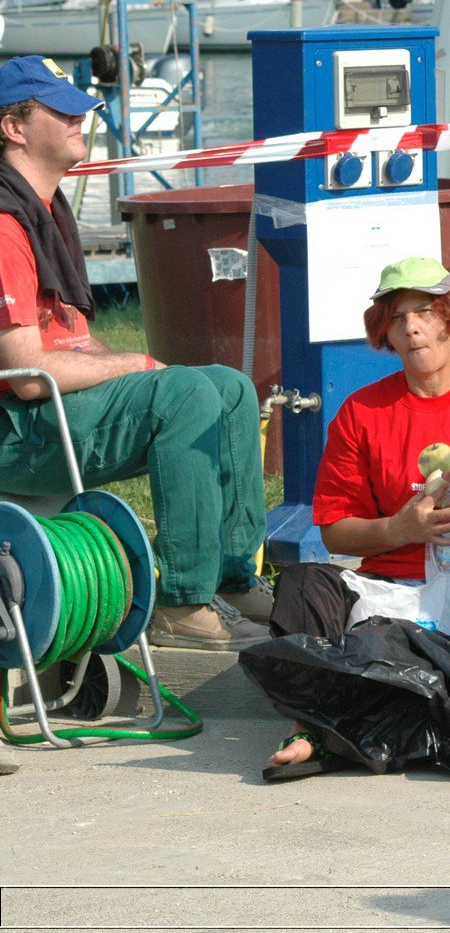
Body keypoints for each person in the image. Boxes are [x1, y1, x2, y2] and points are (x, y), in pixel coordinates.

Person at [0, 55, 269, 651]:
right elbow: (24, 372)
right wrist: (141, 365)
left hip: (44, 413)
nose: (81, 115)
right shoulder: (3, 222)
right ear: (13, 128)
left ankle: (231, 577)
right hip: (14, 428)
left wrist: (133, 366)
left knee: (229, 387)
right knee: (185, 392)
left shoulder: (42, 209)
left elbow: (69, 339)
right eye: (59, 107)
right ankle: (178, 600)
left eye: (79, 104)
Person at [263, 256, 450, 775]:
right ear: (385, 332)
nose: (412, 327)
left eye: (424, 311)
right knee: (301, 582)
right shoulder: (361, 413)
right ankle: (308, 726)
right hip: (391, 594)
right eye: (397, 317)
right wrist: (400, 528)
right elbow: (334, 528)